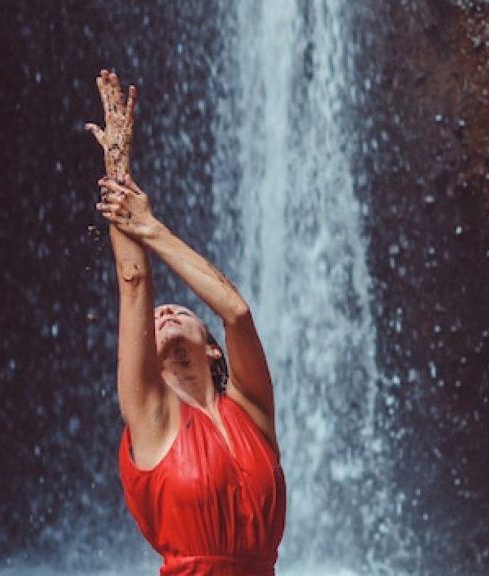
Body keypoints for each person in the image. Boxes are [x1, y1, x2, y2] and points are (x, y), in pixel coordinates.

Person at [85, 69, 286, 576]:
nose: (166, 311)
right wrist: (118, 167)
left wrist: (153, 227)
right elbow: (134, 283)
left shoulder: (253, 410)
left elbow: (235, 312)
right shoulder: (150, 414)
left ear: (212, 347)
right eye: (156, 319)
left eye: (181, 311)